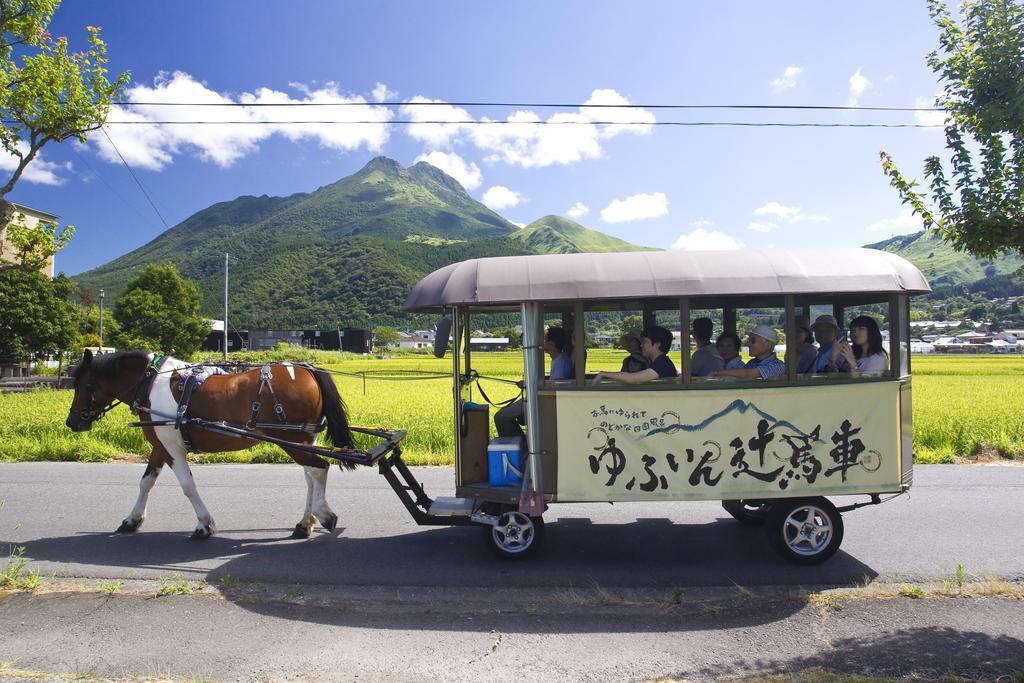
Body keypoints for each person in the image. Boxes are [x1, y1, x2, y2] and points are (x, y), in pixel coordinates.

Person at [495, 326, 574, 438]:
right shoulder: (559, 359)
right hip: (541, 399)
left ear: (551, 343)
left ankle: (520, 447)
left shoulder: (561, 362)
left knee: (501, 416)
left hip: (545, 403)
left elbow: (556, 386)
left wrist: (529, 384)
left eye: (545, 339)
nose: (542, 343)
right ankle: (523, 444)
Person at [592, 326, 676, 384]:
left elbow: (633, 379)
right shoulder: (659, 362)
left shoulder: (662, 364)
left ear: (657, 344)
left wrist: (603, 374)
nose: (641, 345)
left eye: (645, 342)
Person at [713, 325, 785, 380]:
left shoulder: (778, 366)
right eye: (749, 340)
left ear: (768, 344)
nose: (748, 344)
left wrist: (717, 373)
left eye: (753, 341)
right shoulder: (751, 363)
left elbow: (748, 374)